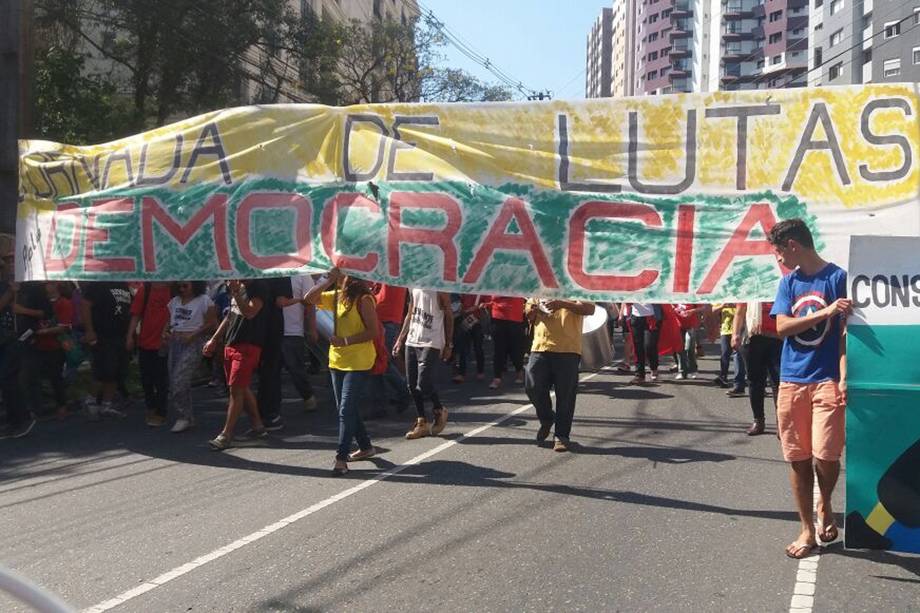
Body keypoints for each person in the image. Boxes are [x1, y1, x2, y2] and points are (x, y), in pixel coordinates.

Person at [767, 218, 849, 559]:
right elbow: (783, 327)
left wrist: (845, 376)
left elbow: (847, 334)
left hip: (828, 378)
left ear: (793, 246)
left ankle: (825, 504)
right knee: (798, 458)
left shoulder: (838, 278)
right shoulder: (788, 283)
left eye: (778, 251)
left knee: (826, 455)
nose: (778, 259)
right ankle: (806, 528)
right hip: (792, 380)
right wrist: (825, 312)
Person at [304, 270, 379, 475]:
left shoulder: (364, 299)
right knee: (346, 408)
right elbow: (308, 299)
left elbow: (374, 331)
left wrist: (345, 341)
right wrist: (327, 280)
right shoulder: (337, 295)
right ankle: (365, 447)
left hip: (359, 361)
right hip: (337, 360)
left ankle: (340, 458)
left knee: (346, 409)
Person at [203, 279, 269, 451]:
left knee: (236, 390)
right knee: (241, 387)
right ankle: (258, 426)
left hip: (248, 345)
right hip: (231, 344)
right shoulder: (237, 286)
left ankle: (225, 435)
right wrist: (214, 339)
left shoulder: (259, 286)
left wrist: (236, 292)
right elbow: (230, 315)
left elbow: (250, 312)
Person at [525, 297, 594, 452]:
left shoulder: (576, 285)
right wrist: (534, 310)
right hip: (540, 346)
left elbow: (589, 309)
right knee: (532, 387)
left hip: (568, 348)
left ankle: (561, 436)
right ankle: (547, 418)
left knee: (566, 395)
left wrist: (561, 304)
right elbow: (529, 314)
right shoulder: (540, 286)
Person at [394, 288, 453, 440]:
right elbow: (410, 312)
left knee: (423, 382)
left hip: (431, 340)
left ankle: (439, 409)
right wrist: (400, 339)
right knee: (411, 385)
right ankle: (422, 422)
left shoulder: (440, 287)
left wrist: (448, 344)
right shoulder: (412, 285)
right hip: (413, 339)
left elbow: (449, 315)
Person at [166, 282, 216, 433]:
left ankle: (184, 416)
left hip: (194, 341)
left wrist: (194, 335)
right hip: (176, 341)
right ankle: (186, 416)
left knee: (179, 379)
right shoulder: (175, 301)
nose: (181, 289)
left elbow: (212, 323)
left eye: (185, 286)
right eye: (179, 286)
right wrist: (166, 331)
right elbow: (170, 320)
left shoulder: (204, 300)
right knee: (176, 378)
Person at [81, 282, 133, 420]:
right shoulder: (97, 284)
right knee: (103, 370)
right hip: (103, 335)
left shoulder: (123, 285)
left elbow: (129, 309)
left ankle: (107, 404)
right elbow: (85, 306)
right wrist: (89, 330)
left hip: (121, 335)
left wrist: (130, 335)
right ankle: (90, 401)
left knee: (117, 372)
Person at [126, 282, 172, 427]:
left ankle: (161, 412)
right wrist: (129, 336)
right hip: (145, 341)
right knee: (146, 379)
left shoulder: (174, 290)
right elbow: (136, 315)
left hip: (164, 343)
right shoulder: (144, 290)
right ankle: (151, 407)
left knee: (161, 379)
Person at [733, 302, 782, 436]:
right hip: (752, 337)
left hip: (778, 338)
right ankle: (758, 421)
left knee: (778, 382)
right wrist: (735, 334)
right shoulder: (749, 285)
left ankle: (781, 423)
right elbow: (740, 311)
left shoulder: (781, 283)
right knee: (755, 381)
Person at [256, 277, 294, 431]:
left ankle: (267, 414)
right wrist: (301, 300)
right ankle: (266, 414)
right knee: (269, 371)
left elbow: (281, 301)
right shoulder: (280, 269)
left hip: (259, 327)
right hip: (267, 328)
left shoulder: (248, 266)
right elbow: (281, 301)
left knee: (266, 372)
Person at [34, 282, 75, 420]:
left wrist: (43, 331)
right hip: (39, 345)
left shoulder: (64, 303)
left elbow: (64, 327)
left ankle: (62, 406)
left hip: (56, 345)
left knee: (55, 377)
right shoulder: (40, 302)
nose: (46, 285)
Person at [281, 275, 318, 413]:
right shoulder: (272, 270)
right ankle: (271, 409)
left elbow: (310, 302)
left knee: (295, 368)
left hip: (293, 330)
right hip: (272, 329)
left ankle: (308, 395)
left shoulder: (303, 274)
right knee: (270, 370)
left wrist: (312, 328)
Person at [372, 283, 412, 414]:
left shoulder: (390, 268)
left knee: (382, 361)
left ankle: (404, 392)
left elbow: (382, 297)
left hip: (386, 318)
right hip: (386, 317)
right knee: (379, 361)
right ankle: (382, 402)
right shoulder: (390, 269)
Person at [0, 251, 25, 438]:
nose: (10, 264)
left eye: (12, 260)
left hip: (12, 338)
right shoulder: (6, 287)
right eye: (7, 261)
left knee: (9, 378)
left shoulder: (23, 286)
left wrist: (14, 292)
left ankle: (18, 420)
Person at [483, 295, 526, 390]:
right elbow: (488, 297)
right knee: (498, 350)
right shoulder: (495, 281)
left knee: (516, 349)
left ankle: (519, 372)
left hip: (515, 317)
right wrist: (487, 304)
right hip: (497, 317)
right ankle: (497, 377)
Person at [452, 294, 485, 383]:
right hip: (465, 319)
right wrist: (462, 309)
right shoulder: (465, 290)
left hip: (477, 321)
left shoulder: (481, 291)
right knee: (462, 347)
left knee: (478, 347)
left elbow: (486, 302)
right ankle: (461, 373)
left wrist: (479, 306)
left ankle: (480, 371)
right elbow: (460, 302)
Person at [626, 302, 660, 384]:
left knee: (649, 345)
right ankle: (639, 375)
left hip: (652, 317)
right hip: (636, 318)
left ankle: (653, 367)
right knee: (638, 347)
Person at [674, 303, 703, 380]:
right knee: (680, 349)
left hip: (691, 325)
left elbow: (702, 307)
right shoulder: (673, 295)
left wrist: (692, 311)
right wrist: (674, 310)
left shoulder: (691, 295)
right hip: (678, 325)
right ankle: (682, 372)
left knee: (690, 347)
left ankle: (693, 370)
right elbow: (669, 306)